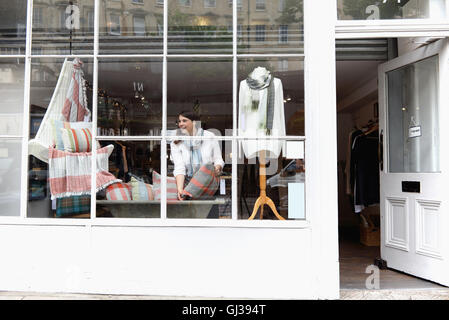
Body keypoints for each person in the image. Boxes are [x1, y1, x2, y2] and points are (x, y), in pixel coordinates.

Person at [170, 111, 224, 201]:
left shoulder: (209, 136)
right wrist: (180, 189)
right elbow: (179, 167)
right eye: (179, 121)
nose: (180, 124)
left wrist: (217, 168)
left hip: (209, 183)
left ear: (194, 122)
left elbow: (218, 159)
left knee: (208, 213)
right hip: (189, 185)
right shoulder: (177, 141)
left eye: (184, 121)